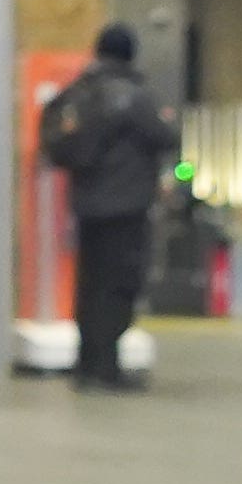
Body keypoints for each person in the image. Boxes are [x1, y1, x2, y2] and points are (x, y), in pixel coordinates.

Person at [39, 20, 176, 392]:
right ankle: (107, 368)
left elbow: (57, 142)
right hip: (127, 208)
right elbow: (165, 137)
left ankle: (86, 366)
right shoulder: (134, 95)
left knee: (89, 286)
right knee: (119, 287)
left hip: (86, 206)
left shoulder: (76, 93)